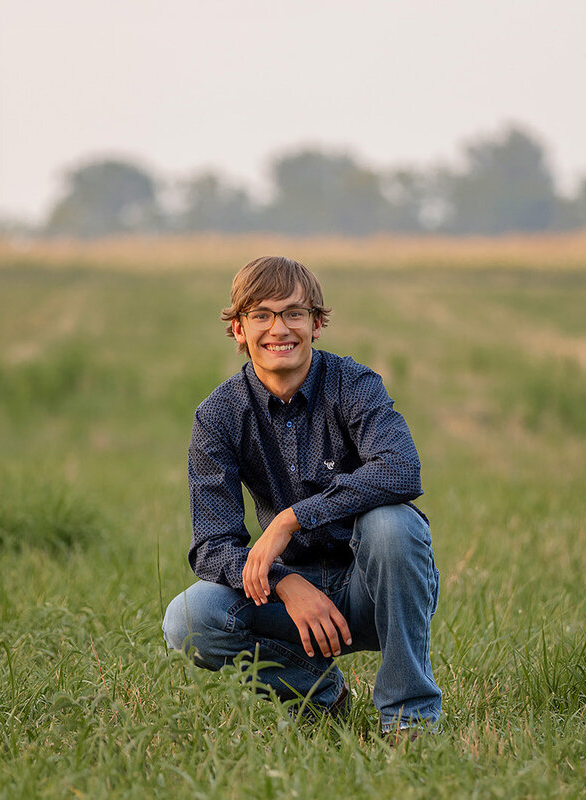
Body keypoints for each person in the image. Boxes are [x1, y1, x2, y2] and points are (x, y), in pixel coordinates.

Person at [162, 255, 442, 734]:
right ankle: (319, 693)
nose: (279, 329)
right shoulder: (218, 415)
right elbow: (212, 546)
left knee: (393, 523)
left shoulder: (354, 383)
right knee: (189, 619)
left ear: (316, 324)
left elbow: (401, 469)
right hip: (287, 606)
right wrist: (284, 581)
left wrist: (291, 518)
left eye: (294, 313)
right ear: (238, 330)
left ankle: (408, 720)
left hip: (374, 590)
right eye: (262, 315)